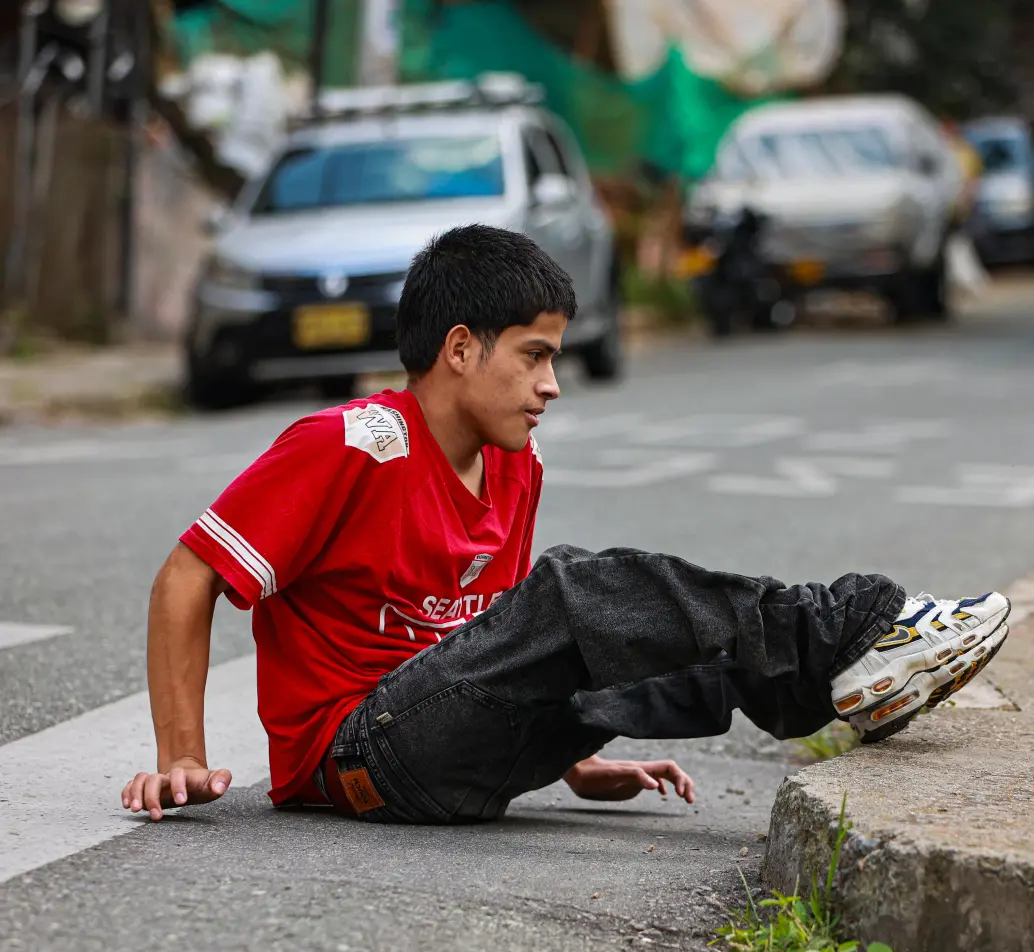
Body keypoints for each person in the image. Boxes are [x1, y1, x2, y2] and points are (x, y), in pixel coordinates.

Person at [122, 225, 1011, 824]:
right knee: (578, 588)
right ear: (461, 348)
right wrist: (182, 757)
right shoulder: (355, 444)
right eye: (535, 356)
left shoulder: (517, 462)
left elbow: (503, 642)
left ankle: (844, 686)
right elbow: (186, 576)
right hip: (356, 755)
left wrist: (577, 759)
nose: (552, 384)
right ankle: (851, 627)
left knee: (654, 641)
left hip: (453, 737)